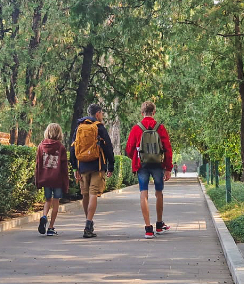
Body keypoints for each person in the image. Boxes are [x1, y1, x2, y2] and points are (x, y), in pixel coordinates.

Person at [125, 101, 173, 238]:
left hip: (142, 165)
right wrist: (168, 168)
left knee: (143, 193)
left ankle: (148, 229)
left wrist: (136, 157)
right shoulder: (160, 127)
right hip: (158, 164)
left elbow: (129, 149)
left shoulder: (136, 128)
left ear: (142, 113)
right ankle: (159, 225)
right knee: (159, 193)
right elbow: (168, 149)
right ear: (154, 112)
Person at [69, 104, 115, 238]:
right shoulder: (99, 127)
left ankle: (88, 221)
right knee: (93, 194)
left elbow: (73, 148)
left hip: (82, 166)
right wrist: (110, 165)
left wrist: (74, 167)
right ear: (98, 114)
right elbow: (108, 147)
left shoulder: (79, 127)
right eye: (102, 114)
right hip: (97, 165)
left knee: (85, 195)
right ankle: (88, 224)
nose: (102, 116)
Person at [35, 123, 69, 237]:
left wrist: (38, 180)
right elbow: (64, 167)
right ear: (59, 133)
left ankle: (44, 216)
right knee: (56, 202)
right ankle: (51, 227)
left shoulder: (41, 146)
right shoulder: (61, 147)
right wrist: (66, 182)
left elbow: (38, 164)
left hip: (45, 178)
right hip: (57, 179)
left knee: (47, 200)